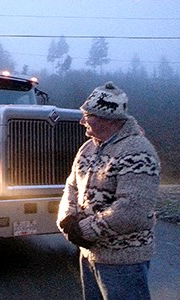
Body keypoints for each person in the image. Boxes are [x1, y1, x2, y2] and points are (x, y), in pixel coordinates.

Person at [57, 82, 161, 300]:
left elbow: (133, 209)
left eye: (88, 115)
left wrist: (83, 230)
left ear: (108, 118)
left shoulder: (138, 150)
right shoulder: (88, 147)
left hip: (123, 260)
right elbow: (72, 186)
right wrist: (67, 219)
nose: (81, 121)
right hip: (89, 255)